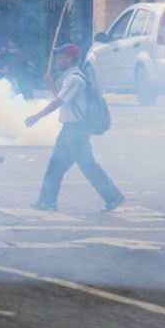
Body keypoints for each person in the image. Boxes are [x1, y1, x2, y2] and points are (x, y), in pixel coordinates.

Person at [24, 44, 125, 213]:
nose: (57, 60)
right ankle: (113, 197)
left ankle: (47, 201)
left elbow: (59, 102)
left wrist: (37, 116)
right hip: (74, 131)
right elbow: (65, 100)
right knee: (83, 166)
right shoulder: (71, 77)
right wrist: (52, 86)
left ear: (70, 59)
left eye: (61, 57)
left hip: (74, 131)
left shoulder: (75, 79)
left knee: (60, 166)